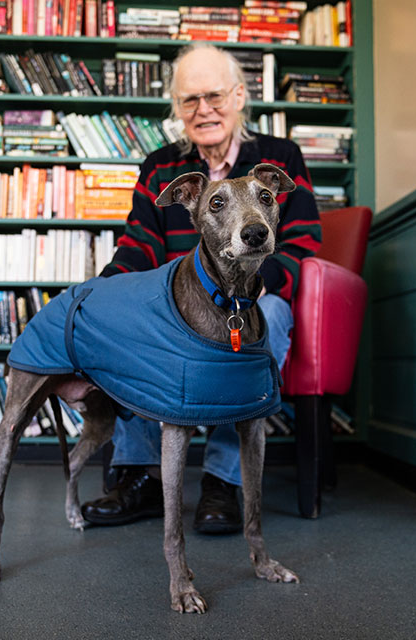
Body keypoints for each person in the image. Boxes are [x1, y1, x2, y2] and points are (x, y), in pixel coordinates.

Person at [80, 42, 322, 534]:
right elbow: (138, 245)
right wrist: (101, 299)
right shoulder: (160, 167)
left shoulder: (280, 157)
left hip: (252, 296)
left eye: (214, 95)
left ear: (238, 96)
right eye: (190, 100)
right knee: (128, 323)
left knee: (270, 318)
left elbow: (303, 244)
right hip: (176, 307)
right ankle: (144, 476)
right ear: (176, 108)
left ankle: (222, 481)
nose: (204, 109)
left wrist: (256, 288)